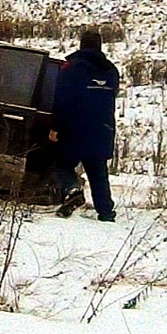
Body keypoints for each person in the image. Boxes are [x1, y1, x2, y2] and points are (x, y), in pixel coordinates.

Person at [49, 28, 119, 221]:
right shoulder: (111, 70)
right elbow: (112, 95)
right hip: (103, 130)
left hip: (76, 129)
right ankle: (106, 213)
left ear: (81, 45)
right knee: (98, 171)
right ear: (100, 45)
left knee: (62, 165)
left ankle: (73, 190)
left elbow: (63, 100)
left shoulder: (71, 68)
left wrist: (56, 127)